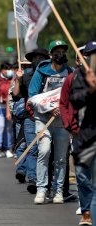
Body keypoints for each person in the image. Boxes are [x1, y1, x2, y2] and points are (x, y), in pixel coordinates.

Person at [29, 40, 72, 204]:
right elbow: (33, 95)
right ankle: (41, 189)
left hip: (62, 121)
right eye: (57, 50)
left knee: (61, 158)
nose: (60, 53)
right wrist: (48, 109)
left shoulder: (70, 72)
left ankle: (58, 191)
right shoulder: (41, 71)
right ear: (50, 54)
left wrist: (64, 109)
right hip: (43, 119)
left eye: (63, 50)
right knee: (45, 151)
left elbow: (74, 95)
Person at [11, 48, 50, 193]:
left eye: (40, 57)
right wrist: (18, 80)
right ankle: (33, 179)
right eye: (34, 58)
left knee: (46, 150)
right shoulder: (26, 77)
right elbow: (15, 95)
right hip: (31, 118)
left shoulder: (50, 76)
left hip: (49, 118)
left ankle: (47, 180)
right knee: (32, 148)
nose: (37, 60)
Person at [69, 41, 96, 224]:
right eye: (91, 54)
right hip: (86, 137)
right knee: (84, 178)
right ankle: (86, 212)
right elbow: (74, 101)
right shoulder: (79, 76)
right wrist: (91, 89)